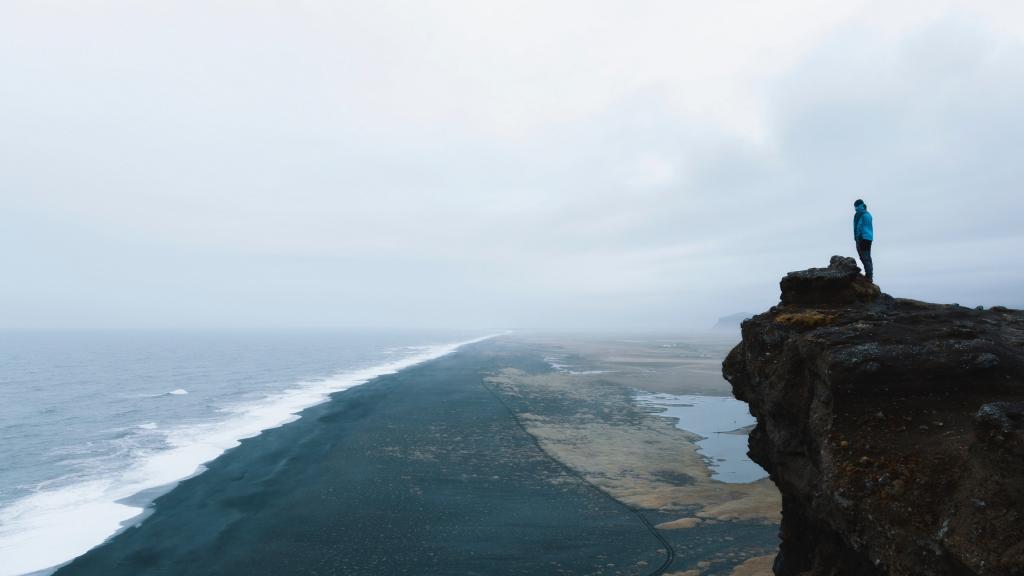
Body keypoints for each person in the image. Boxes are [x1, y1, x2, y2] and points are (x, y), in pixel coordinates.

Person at [853, 199, 874, 282]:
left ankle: (868, 277)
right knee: (868, 257)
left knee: (864, 257)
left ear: (857, 206)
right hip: (869, 238)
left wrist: (857, 238)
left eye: (855, 206)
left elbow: (858, 227)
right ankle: (870, 276)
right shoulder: (868, 214)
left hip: (862, 238)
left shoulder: (859, 214)